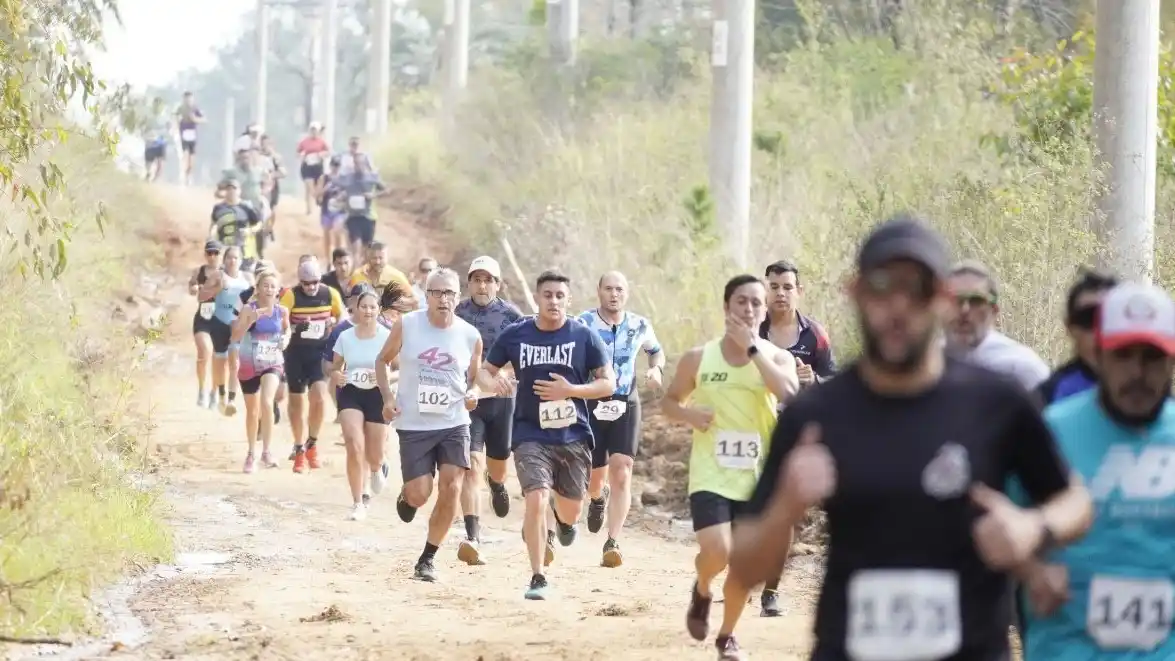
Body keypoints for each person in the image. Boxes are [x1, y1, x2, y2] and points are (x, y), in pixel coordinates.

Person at [728, 215, 1093, 661]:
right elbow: (745, 565)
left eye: (916, 289)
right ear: (856, 294)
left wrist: (1032, 527)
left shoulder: (997, 401)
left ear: (942, 300)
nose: (898, 306)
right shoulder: (815, 415)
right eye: (882, 288)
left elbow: (1075, 502)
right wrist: (786, 505)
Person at [1015, 282, 1175, 661]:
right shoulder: (1048, 431)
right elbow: (996, 522)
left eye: (1152, 357)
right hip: (1067, 650)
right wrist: (1031, 571)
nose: (1138, 372)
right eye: (1123, 356)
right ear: (1098, 356)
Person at [661, 274, 800, 659]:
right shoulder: (698, 357)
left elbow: (790, 394)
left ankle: (727, 635)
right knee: (718, 552)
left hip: (758, 477)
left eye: (757, 302)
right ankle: (703, 588)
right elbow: (669, 402)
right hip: (711, 472)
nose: (750, 309)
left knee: (743, 567)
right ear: (726, 307)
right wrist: (689, 415)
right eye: (742, 301)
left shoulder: (777, 356)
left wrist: (754, 349)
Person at [477, 270, 617, 600]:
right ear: (537, 298)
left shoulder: (583, 336)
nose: (553, 301)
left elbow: (607, 383)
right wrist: (491, 383)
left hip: (573, 435)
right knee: (535, 499)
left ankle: (566, 521)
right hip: (529, 433)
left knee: (570, 511)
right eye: (547, 295)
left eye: (559, 296)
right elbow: (486, 369)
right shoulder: (516, 334)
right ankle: (537, 576)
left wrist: (571, 389)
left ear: (568, 300)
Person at [375, 268, 482, 582]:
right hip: (414, 424)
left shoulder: (469, 335)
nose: (443, 299)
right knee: (421, 494)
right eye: (437, 293)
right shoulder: (408, 326)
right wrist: (386, 397)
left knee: (452, 486)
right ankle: (408, 497)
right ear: (427, 295)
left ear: (458, 298)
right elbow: (382, 361)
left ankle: (428, 558)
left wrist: (474, 392)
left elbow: (474, 378)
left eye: (449, 293)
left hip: (454, 422)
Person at [578, 271, 665, 569]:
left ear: (627, 293)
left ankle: (612, 542)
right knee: (594, 475)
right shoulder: (583, 322)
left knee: (623, 470)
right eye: (608, 289)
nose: (614, 294)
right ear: (598, 291)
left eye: (619, 289)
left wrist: (656, 370)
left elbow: (656, 351)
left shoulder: (639, 324)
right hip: (592, 402)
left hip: (626, 402)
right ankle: (596, 499)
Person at [454, 256, 523, 563]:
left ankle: (497, 484)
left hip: (501, 400)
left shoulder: (512, 315)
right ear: (468, 283)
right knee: (471, 466)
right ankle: (472, 536)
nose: (482, 286)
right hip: (467, 400)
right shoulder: (456, 313)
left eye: (488, 280)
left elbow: (526, 353)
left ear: (498, 284)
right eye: (476, 280)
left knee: (497, 466)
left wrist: (507, 373)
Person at [331, 289, 395, 521]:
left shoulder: (387, 336)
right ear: (356, 309)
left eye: (372, 307)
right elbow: (334, 366)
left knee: (374, 454)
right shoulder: (345, 337)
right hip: (351, 393)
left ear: (379, 310)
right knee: (354, 444)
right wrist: (336, 374)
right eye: (364, 306)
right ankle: (358, 502)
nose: (368, 310)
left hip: (377, 395)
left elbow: (401, 368)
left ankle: (378, 468)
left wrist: (384, 377)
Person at [280, 258, 345, 473]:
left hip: (319, 353)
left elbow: (342, 315)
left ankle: (312, 444)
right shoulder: (291, 295)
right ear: (300, 281)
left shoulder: (329, 293)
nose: (311, 287)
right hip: (296, 354)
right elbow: (281, 319)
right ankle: (299, 448)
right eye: (306, 283)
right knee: (297, 402)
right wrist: (295, 326)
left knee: (318, 396)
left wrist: (333, 323)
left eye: (315, 282)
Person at [945, 260, 1050, 392]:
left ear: (994, 311)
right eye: (954, 300)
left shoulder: (1020, 367)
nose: (964, 310)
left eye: (976, 301)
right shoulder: (922, 363)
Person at [231, 268, 290, 473]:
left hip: (272, 362)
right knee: (252, 411)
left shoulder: (282, 311)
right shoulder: (249, 309)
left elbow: (286, 329)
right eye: (265, 285)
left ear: (278, 291)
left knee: (267, 402)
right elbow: (235, 335)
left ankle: (266, 451)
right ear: (257, 289)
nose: (269, 289)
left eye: (273, 286)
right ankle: (250, 453)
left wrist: (286, 339)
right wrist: (251, 319)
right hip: (248, 364)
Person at [1036, 269, 1119, 406]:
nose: (1100, 330)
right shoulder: (1049, 395)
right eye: (1087, 319)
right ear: (1070, 327)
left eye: (1110, 317)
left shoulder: (1149, 391)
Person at [759, 259, 837, 388]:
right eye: (774, 287)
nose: (780, 293)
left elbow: (834, 382)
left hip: (802, 407)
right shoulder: (752, 331)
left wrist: (814, 380)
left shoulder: (816, 334)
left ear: (799, 291)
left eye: (787, 287)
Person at [209, 246, 251, 417]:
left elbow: (254, 298)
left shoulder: (247, 278)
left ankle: (232, 400)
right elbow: (205, 295)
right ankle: (221, 395)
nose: (232, 261)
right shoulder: (218, 276)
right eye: (229, 258)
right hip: (219, 322)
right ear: (224, 260)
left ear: (241, 260)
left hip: (237, 324)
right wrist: (217, 289)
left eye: (236, 258)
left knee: (234, 363)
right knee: (221, 362)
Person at [189, 240, 225, 409]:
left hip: (221, 319)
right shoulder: (199, 271)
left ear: (220, 254)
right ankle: (202, 389)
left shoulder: (226, 273)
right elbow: (192, 288)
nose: (212, 256)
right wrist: (195, 287)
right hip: (203, 317)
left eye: (215, 253)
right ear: (205, 254)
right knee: (204, 353)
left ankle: (214, 391)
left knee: (219, 358)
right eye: (209, 253)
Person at [218, 149, 269, 260]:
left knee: (261, 230)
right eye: (242, 158)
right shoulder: (232, 172)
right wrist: (227, 194)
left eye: (247, 157)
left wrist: (263, 191)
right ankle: (237, 255)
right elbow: (220, 186)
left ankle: (260, 254)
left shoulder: (258, 171)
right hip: (240, 208)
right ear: (238, 159)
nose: (245, 160)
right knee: (240, 233)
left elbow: (266, 181)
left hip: (256, 206)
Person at [209, 179, 264, 269]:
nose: (231, 191)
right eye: (229, 189)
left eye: (234, 189)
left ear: (239, 191)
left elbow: (259, 224)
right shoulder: (218, 208)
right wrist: (211, 237)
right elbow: (213, 224)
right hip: (224, 248)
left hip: (244, 249)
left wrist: (249, 231)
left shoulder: (246, 207)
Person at [342, 157, 388, 252]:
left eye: (360, 163)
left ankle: (363, 265)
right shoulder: (347, 178)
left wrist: (373, 195)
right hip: (352, 217)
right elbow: (338, 190)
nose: (357, 166)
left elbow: (387, 190)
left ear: (365, 165)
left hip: (368, 217)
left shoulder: (372, 178)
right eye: (355, 164)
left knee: (366, 249)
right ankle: (355, 265)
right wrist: (342, 195)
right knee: (356, 247)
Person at [348, 241, 414, 303]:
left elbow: (413, 300)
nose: (377, 262)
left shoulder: (397, 276)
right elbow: (350, 300)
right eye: (374, 258)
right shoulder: (357, 275)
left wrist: (394, 301)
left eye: (381, 258)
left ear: (387, 257)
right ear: (368, 257)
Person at [297, 122, 331, 215]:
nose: (313, 132)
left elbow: (328, 152)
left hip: (318, 166)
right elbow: (298, 152)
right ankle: (309, 209)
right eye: (312, 130)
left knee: (319, 184)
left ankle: (318, 198)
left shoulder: (322, 142)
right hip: (307, 166)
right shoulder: (304, 142)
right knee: (309, 188)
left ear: (318, 131)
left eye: (315, 130)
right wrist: (302, 155)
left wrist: (322, 154)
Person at [258, 134, 286, 240]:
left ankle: (269, 228)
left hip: (272, 186)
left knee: (272, 209)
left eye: (267, 144)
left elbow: (283, 172)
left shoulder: (276, 157)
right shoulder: (255, 155)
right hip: (258, 185)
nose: (265, 146)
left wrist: (271, 175)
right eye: (263, 144)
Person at [318, 156, 347, 258]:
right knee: (327, 236)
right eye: (334, 165)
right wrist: (326, 188)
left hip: (340, 211)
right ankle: (327, 259)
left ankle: (338, 257)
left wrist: (343, 195)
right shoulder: (324, 178)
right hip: (326, 210)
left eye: (337, 165)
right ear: (330, 166)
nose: (335, 168)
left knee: (337, 232)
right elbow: (317, 194)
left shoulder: (344, 179)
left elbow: (349, 192)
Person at [175, 91, 205, 185]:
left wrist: (195, 119)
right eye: (186, 99)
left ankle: (189, 175)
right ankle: (183, 174)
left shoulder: (196, 109)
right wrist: (176, 123)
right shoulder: (180, 109)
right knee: (184, 155)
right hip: (183, 134)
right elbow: (175, 118)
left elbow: (204, 119)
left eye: (190, 99)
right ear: (183, 100)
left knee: (192, 158)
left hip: (192, 135)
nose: (188, 101)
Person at [142, 96, 171, 183]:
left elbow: (170, 128)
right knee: (149, 163)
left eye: (159, 104)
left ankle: (155, 180)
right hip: (150, 142)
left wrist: (166, 133)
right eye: (156, 104)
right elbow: (144, 128)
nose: (157, 106)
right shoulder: (148, 117)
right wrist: (146, 135)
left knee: (161, 163)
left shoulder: (166, 117)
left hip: (161, 142)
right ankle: (148, 175)